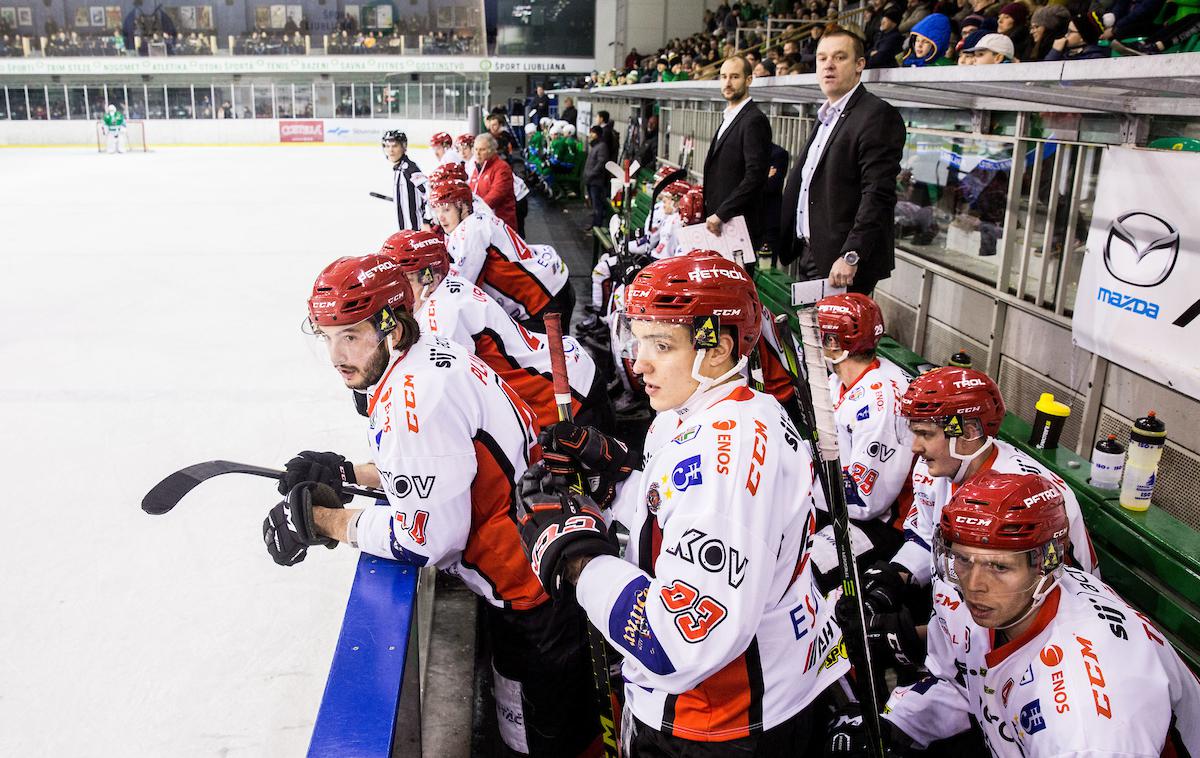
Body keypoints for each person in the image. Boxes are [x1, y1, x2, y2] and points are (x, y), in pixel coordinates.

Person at [262, 254, 600, 757]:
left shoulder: (413, 403)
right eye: (327, 336)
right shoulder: (433, 355)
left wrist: (323, 521)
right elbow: (448, 467)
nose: (336, 354)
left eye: (351, 335)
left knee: (547, 745)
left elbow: (423, 538)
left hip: (530, 595)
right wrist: (346, 473)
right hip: (537, 565)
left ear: (392, 327)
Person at [519, 253, 848, 756]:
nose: (637, 361)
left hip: (718, 722)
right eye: (639, 338)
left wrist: (576, 557)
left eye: (661, 344)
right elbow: (669, 508)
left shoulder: (726, 459)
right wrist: (614, 478)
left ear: (716, 351)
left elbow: (676, 642)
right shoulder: (708, 408)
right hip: (757, 694)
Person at [877, 471, 1200, 755]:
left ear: (1045, 564)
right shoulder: (1013, 601)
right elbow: (969, 684)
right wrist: (892, 726)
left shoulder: (1085, 725)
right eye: (963, 560)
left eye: (999, 567)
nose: (974, 585)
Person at [845, 367, 1099, 671]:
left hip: (1033, 654)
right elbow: (926, 536)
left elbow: (1026, 598)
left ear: (967, 433)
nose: (915, 447)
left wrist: (913, 640)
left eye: (925, 434)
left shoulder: (1028, 496)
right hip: (962, 637)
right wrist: (893, 580)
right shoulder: (933, 470)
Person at [380, 229, 613, 433]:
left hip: (566, 391)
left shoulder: (442, 315)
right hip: (565, 369)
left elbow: (453, 398)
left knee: (601, 478)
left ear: (430, 276)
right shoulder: (449, 288)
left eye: (406, 281)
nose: (400, 294)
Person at [779, 30, 906, 295]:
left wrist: (852, 254)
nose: (828, 65)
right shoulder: (827, 115)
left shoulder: (876, 115)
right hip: (811, 251)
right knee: (811, 334)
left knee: (834, 337)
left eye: (839, 57)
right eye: (822, 58)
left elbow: (878, 194)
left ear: (859, 65)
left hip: (841, 263)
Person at [808, 293, 914, 591]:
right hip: (833, 501)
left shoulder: (879, 404)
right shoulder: (838, 381)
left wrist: (804, 480)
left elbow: (865, 500)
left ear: (834, 345)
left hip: (882, 524)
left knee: (806, 570)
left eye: (817, 336)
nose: (810, 344)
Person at [430, 179, 573, 331]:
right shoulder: (475, 216)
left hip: (545, 299)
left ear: (464, 207)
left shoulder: (472, 229)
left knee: (552, 354)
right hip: (550, 287)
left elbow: (461, 283)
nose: (441, 217)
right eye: (437, 210)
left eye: (446, 210)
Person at [702, 56, 772, 250]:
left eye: (734, 77)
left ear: (748, 80)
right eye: (724, 77)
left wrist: (722, 213)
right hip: (719, 224)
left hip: (737, 226)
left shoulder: (753, 120)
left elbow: (755, 176)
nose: (727, 83)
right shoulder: (730, 117)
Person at [469, 133, 518, 232]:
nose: (478, 153)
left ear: (492, 150)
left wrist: (474, 210)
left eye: (482, 150)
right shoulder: (477, 168)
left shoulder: (502, 168)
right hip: (484, 223)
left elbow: (495, 195)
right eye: (476, 149)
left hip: (501, 225)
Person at [381, 130, 427, 232]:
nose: (391, 150)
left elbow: (428, 193)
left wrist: (427, 221)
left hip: (416, 231)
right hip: (405, 232)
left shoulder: (409, 168)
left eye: (395, 146)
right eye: (387, 146)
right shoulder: (399, 169)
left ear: (403, 147)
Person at [583, 124, 612, 231]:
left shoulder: (602, 146)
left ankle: (597, 225)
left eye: (593, 133)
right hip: (591, 180)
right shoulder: (595, 146)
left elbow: (601, 163)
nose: (590, 135)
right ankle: (594, 224)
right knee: (594, 203)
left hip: (596, 181)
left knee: (597, 203)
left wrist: (591, 174)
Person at [1045, 12, 1109, 60]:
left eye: (1070, 32)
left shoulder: (1094, 59)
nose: (1066, 35)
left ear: (1082, 37)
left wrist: (1055, 52)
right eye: (1067, 31)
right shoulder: (1067, 53)